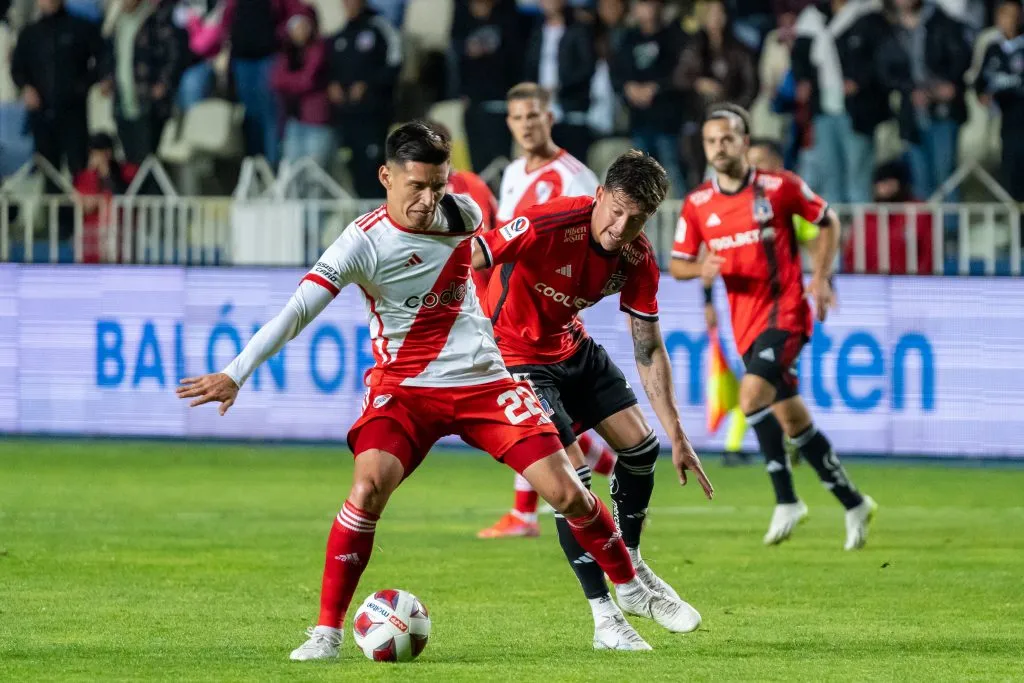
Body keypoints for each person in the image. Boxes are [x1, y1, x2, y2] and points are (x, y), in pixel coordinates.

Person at [176, 121, 697, 659]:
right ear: (386, 177)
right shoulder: (360, 244)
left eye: (439, 186)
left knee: (568, 490)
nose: (430, 201)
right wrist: (236, 372)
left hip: (484, 380)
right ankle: (326, 634)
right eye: (418, 187)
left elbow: (486, 257)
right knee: (368, 487)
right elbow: (296, 312)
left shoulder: (462, 216)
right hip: (405, 388)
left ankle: (632, 590)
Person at [472, 149, 712, 649]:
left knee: (643, 448)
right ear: (599, 195)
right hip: (513, 354)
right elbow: (477, 254)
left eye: (637, 219)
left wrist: (679, 435)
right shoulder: (549, 221)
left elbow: (648, 348)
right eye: (616, 209)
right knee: (571, 483)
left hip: (569, 345)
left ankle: (633, 566)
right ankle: (605, 615)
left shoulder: (638, 258)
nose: (621, 226)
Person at [669, 104, 877, 550]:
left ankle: (787, 499)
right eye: (711, 141)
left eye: (727, 138)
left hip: (785, 313)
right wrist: (700, 272)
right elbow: (677, 264)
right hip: (744, 325)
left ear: (744, 142)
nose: (719, 147)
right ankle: (853, 501)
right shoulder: (698, 204)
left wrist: (820, 278)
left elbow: (829, 220)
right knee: (793, 420)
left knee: (750, 397)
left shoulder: (779, 188)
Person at [478, 82, 619, 540]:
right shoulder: (514, 171)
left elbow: (591, 241)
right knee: (533, 406)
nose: (526, 125)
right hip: (508, 303)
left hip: (546, 311)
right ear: (509, 123)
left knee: (524, 403)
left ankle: (525, 513)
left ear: (550, 117)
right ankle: (604, 462)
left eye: (534, 116)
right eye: (519, 117)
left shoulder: (574, 175)